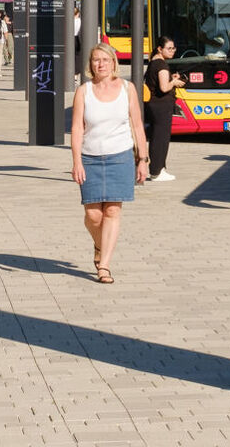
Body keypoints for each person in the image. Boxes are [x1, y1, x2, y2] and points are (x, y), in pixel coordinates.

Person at [70, 45, 148, 284]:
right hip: (90, 157)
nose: (101, 64)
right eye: (96, 60)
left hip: (120, 156)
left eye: (105, 60)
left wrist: (142, 159)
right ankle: (99, 243)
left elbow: (137, 125)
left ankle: (104, 265)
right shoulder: (84, 91)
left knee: (112, 210)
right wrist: (76, 162)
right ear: (90, 65)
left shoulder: (127, 88)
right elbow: (77, 128)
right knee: (93, 215)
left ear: (114, 62)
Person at [142, 36, 182, 183]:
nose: (172, 51)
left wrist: (171, 78)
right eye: (169, 48)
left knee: (156, 136)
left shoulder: (154, 62)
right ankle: (157, 171)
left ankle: (159, 169)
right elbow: (164, 87)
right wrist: (175, 82)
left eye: (174, 48)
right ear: (160, 49)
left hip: (153, 105)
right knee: (161, 138)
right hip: (162, 106)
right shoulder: (162, 65)